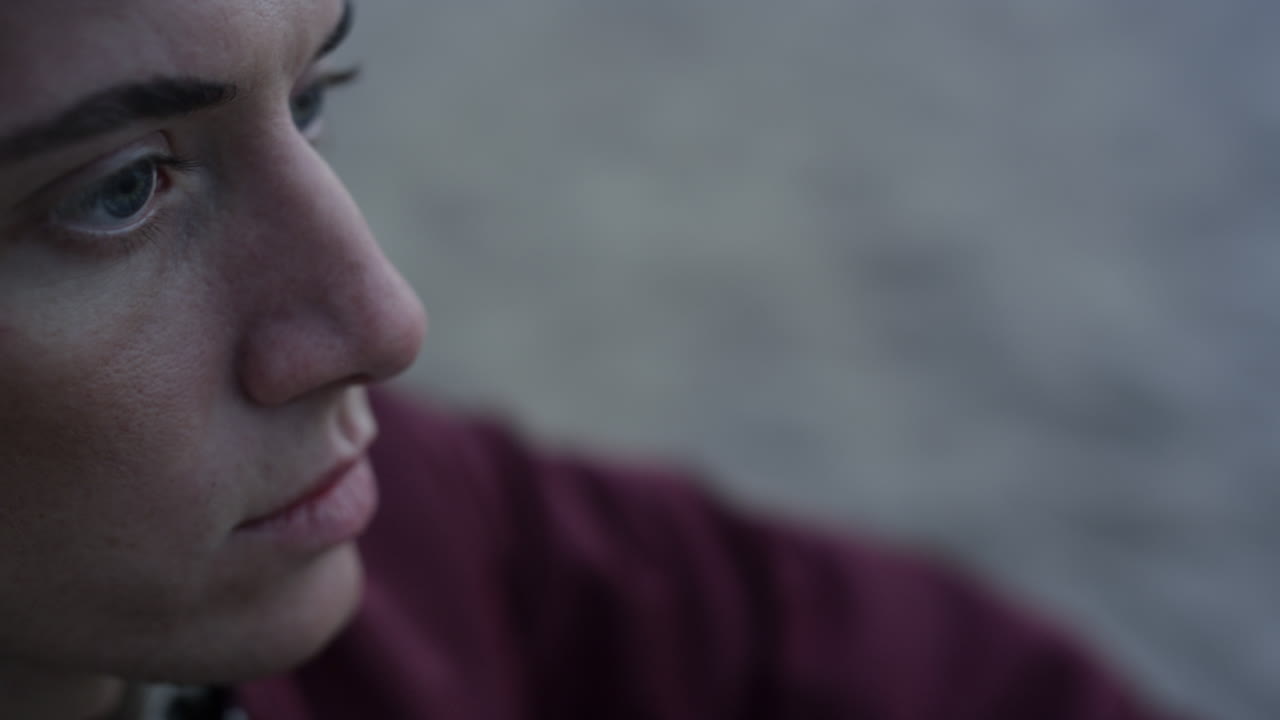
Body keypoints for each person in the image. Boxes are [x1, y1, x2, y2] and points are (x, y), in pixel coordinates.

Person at [0, 1, 1179, 718]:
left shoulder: (414, 533)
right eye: (120, 189)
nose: (384, 324)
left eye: (308, 100)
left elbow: (914, 668)